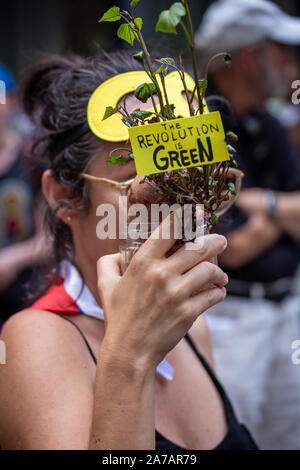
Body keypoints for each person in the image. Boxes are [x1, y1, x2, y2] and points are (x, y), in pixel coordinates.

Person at [0, 52, 258, 450]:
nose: (180, 209)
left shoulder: (193, 329)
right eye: (138, 184)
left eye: (195, 181)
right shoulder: (34, 343)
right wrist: (132, 353)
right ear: (64, 196)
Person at [195, 0, 300, 450]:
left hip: (287, 313)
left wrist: (263, 204)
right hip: (226, 319)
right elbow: (227, 246)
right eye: (283, 51)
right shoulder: (194, 125)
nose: (292, 65)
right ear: (253, 56)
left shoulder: (267, 123)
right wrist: (284, 211)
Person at [0, 63, 50, 326]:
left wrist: (12, 259)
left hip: (26, 304)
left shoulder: (33, 158)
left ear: (12, 100)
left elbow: (51, 240)